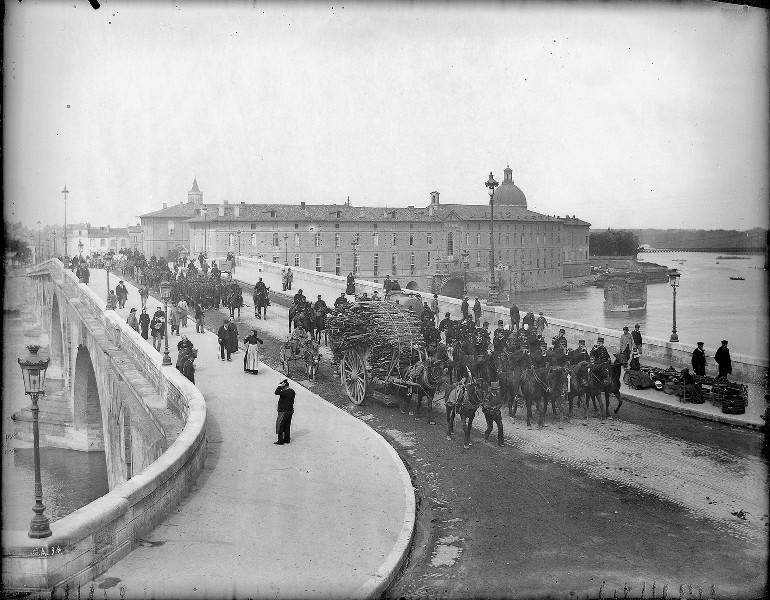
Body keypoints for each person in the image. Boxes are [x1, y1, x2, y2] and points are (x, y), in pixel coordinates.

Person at [483, 380, 505, 447]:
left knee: (500, 426)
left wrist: (496, 407)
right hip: (489, 414)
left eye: (497, 389)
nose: (496, 391)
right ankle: (486, 436)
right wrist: (490, 408)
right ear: (492, 389)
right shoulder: (488, 395)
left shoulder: (498, 395)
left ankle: (500, 442)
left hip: (497, 413)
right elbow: (485, 404)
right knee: (490, 427)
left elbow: (501, 403)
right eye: (495, 389)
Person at [274, 379, 295, 445]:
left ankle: (280, 441)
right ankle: (287, 439)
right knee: (287, 425)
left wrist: (280, 386)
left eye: (283, 387)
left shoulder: (285, 392)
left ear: (284, 386)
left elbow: (276, 392)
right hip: (290, 411)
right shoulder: (292, 391)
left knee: (280, 425)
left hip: (283, 412)